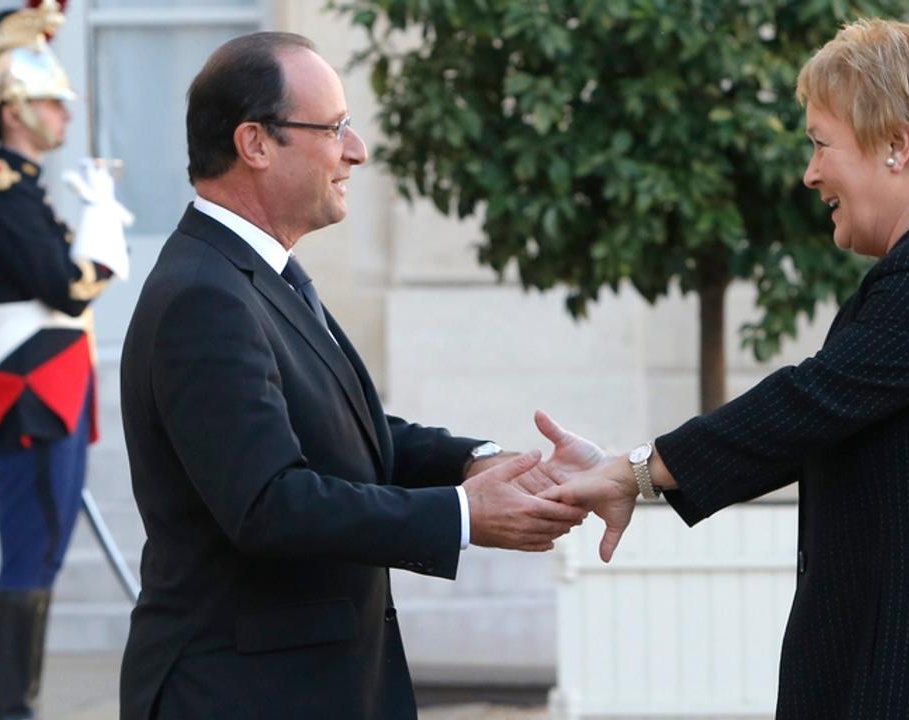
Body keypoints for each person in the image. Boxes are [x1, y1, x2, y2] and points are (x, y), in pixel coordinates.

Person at [543, 18, 909, 719]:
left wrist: (635, 470)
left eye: (822, 144)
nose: (810, 172)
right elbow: (819, 418)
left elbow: (810, 401)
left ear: (897, 144)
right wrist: (629, 470)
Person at [116, 32, 589, 720]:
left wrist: (481, 465)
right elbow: (270, 504)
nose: (357, 150)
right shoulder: (204, 294)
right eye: (334, 127)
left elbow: (346, 436)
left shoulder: (257, 273)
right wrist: (463, 517)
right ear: (255, 144)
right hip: (242, 695)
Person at [0, 1, 125, 718]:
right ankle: (10, 712)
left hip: (47, 389)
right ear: (13, 110)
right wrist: (103, 235)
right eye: (50, 101)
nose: (64, 114)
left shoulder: (23, 191)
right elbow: (66, 292)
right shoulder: (0, 195)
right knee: (31, 557)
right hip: (34, 393)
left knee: (40, 556)